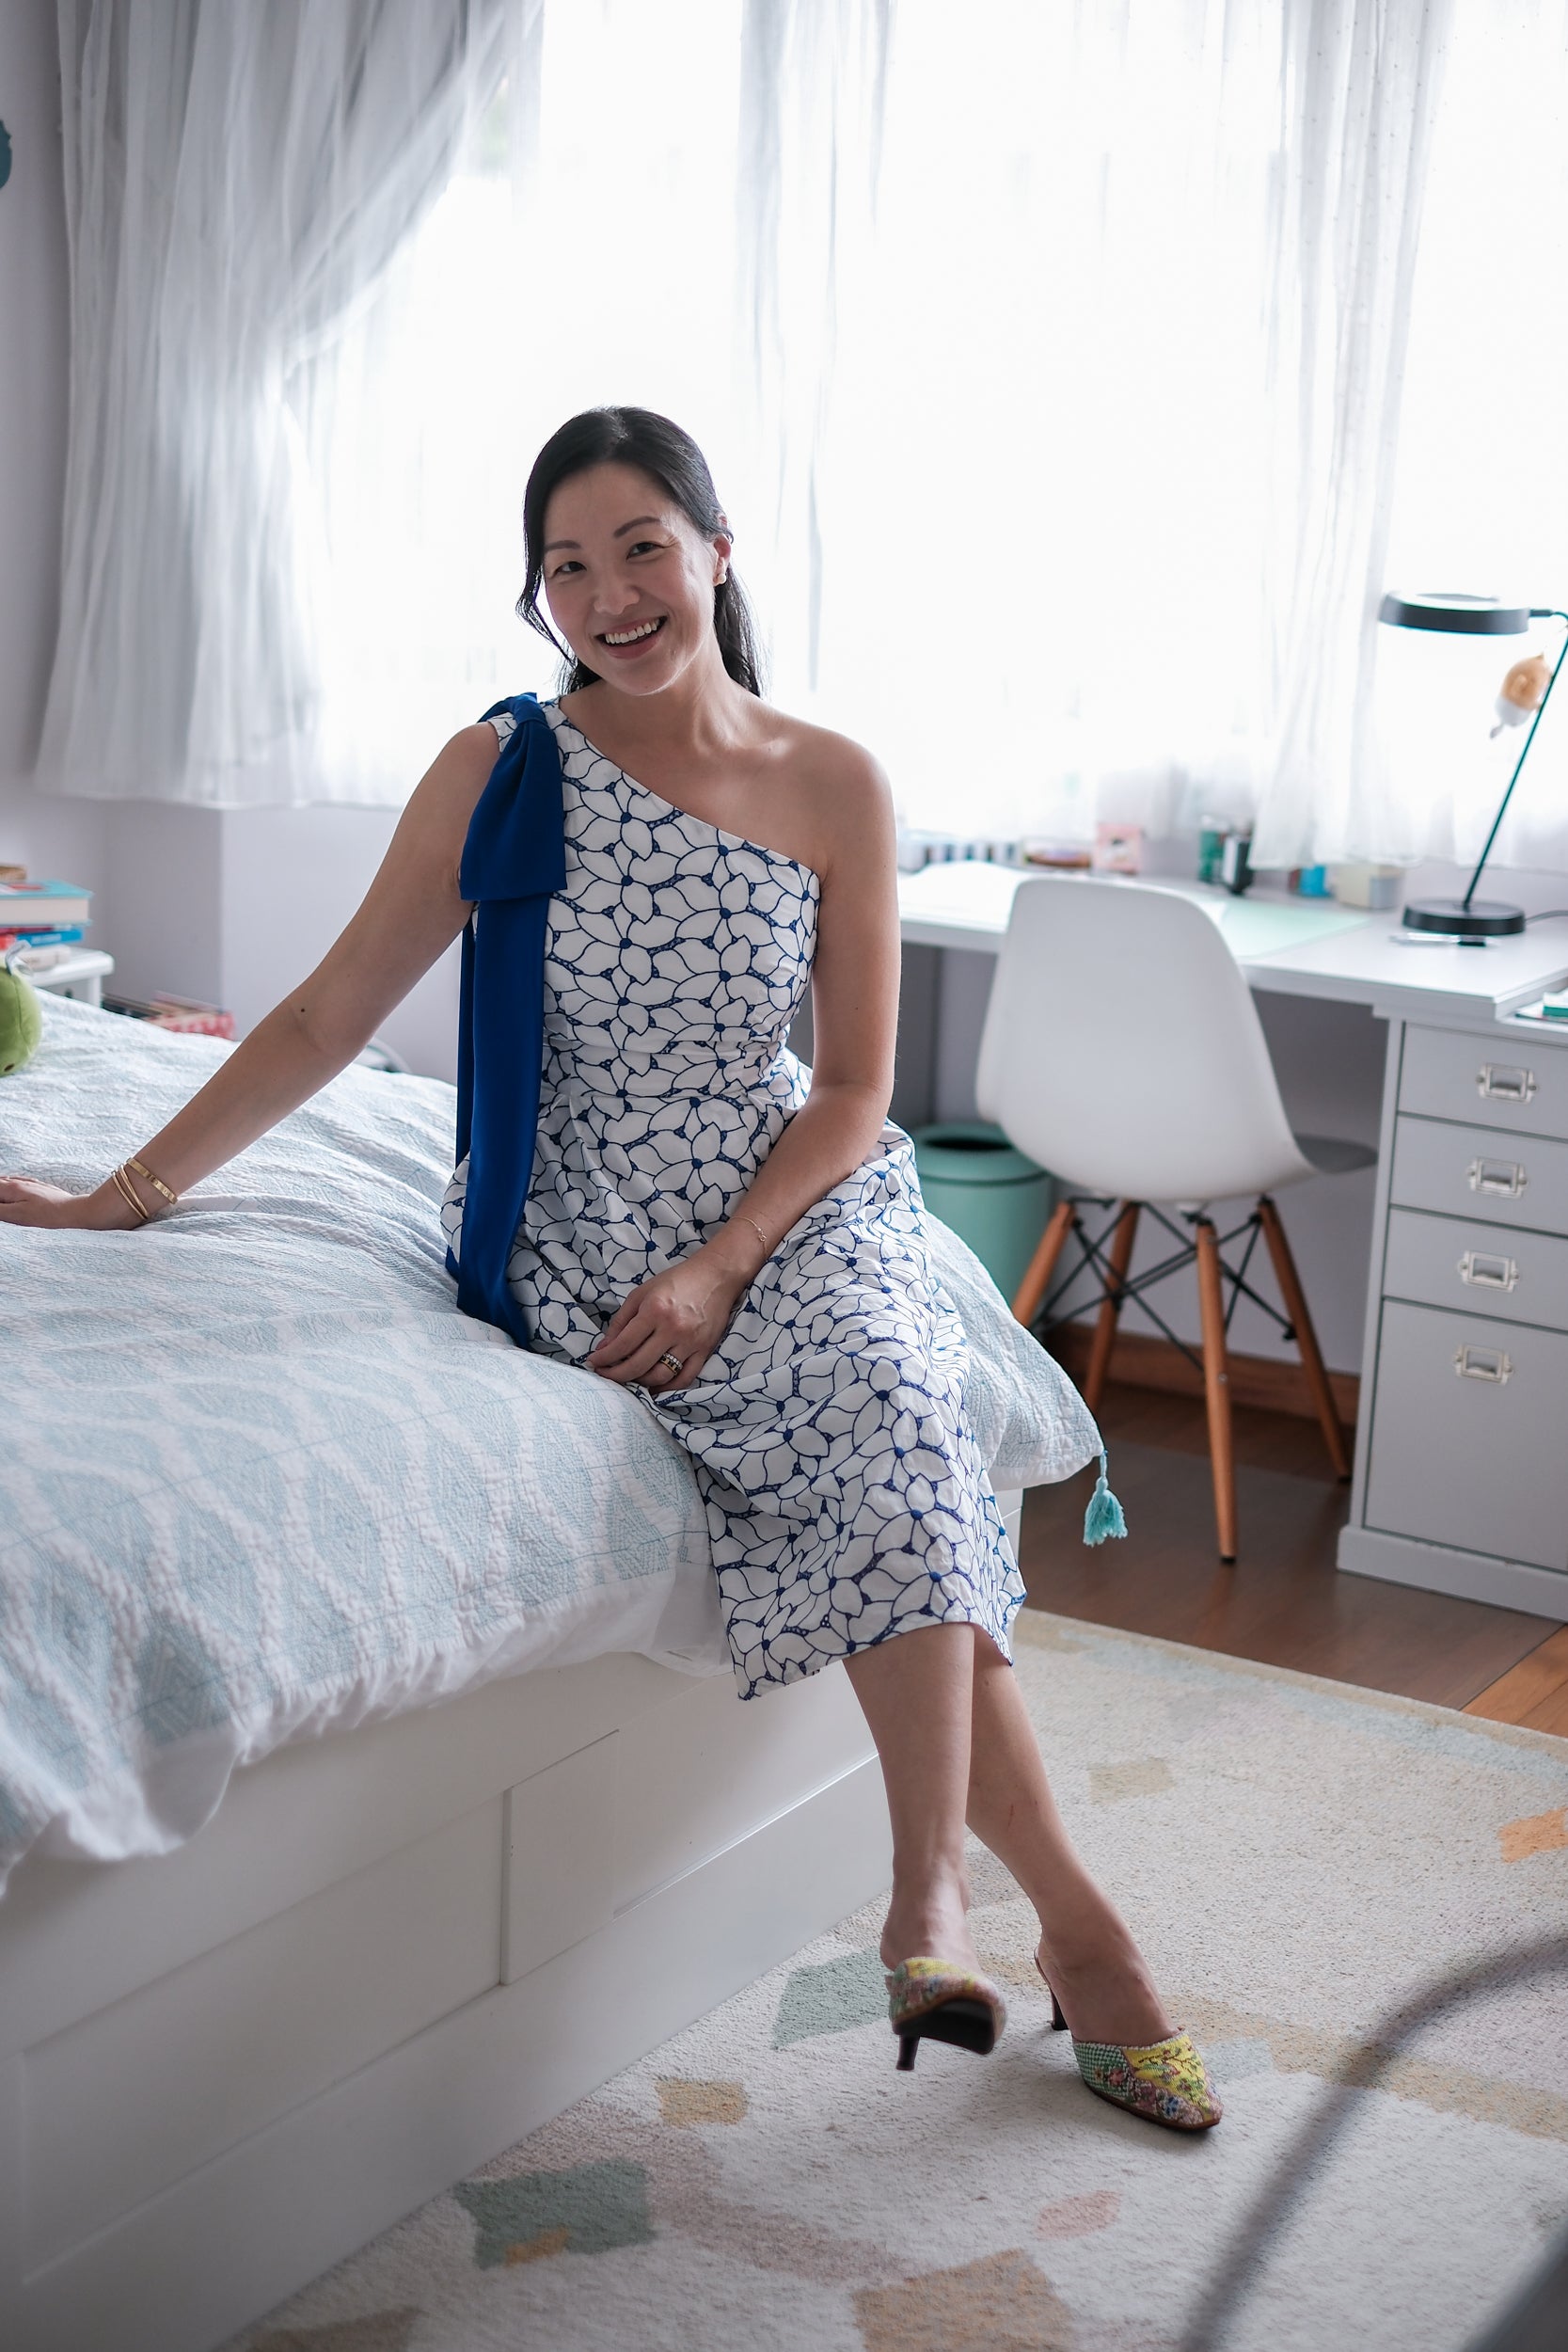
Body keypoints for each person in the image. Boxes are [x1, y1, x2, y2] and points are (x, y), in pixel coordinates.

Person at [0, 406, 1218, 2131]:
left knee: (889, 1401)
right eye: (565, 568)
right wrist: (121, 1196)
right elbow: (330, 1014)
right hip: (583, 1219)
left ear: (717, 551)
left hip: (793, 1198)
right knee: (894, 1471)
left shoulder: (835, 780)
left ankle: (931, 1902)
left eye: (641, 546)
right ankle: (1078, 1934)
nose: (608, 594)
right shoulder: (504, 770)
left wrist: (727, 1268)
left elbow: (854, 1090)